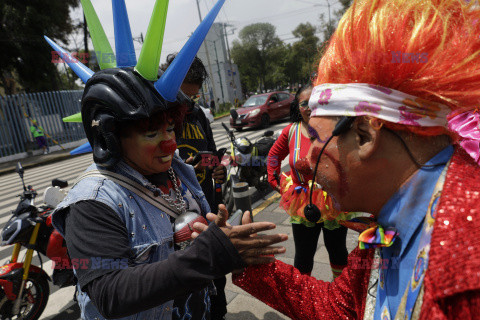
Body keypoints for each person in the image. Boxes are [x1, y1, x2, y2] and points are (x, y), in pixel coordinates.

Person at [204, 0, 480, 318]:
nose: (304, 163)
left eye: (317, 143)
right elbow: (342, 307)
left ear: (364, 135)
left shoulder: (468, 271)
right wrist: (251, 262)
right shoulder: (389, 226)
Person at [47, 1, 287, 319]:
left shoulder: (179, 170)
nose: (170, 141)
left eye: (170, 127)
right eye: (151, 133)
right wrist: (211, 253)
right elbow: (110, 293)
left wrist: (224, 238)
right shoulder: (90, 205)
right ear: (110, 136)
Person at [163, 53, 228, 320]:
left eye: (195, 97)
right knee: (188, 288)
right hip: (175, 220)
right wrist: (185, 168)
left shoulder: (199, 115)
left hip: (206, 210)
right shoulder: (160, 116)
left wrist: (218, 171)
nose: (189, 104)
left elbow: (211, 152)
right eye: (184, 97)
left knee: (216, 277)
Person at [267, 84, 348, 278]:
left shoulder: (337, 128)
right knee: (304, 255)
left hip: (333, 201)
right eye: (305, 103)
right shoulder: (291, 132)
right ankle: (303, 295)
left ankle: (341, 293)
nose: (310, 108)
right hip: (302, 202)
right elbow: (272, 157)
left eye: (315, 102)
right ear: (297, 106)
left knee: (338, 252)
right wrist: (275, 182)